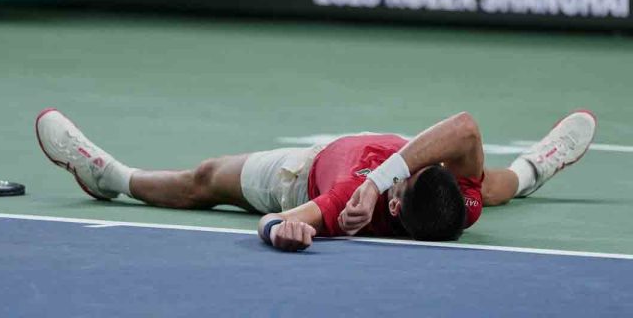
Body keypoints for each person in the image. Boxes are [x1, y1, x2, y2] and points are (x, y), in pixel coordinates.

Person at [35, 109, 596, 252]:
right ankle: (537, 165)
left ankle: (111, 177)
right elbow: (465, 129)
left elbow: (288, 220)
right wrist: (390, 175)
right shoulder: (460, 202)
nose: (416, 169)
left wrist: (282, 230)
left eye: (403, 183)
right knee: (492, 187)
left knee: (204, 181)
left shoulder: (351, 201)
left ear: (395, 210)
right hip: (382, 165)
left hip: (305, 170)